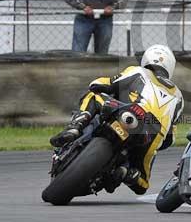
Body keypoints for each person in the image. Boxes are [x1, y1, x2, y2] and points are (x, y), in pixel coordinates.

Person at [49, 44, 183, 195]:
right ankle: (126, 172)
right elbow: (170, 139)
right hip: (154, 133)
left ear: (146, 59)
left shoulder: (137, 71)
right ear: (170, 67)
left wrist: (96, 85)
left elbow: (106, 83)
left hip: (130, 111)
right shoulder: (178, 96)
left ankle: (75, 127)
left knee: (94, 96)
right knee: (142, 185)